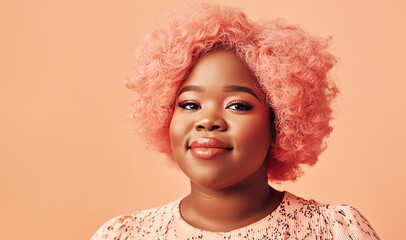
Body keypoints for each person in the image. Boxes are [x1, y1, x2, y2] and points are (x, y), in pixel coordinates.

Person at [91, 2, 379, 239]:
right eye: (190, 104)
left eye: (238, 105)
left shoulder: (335, 231)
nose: (208, 121)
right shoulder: (122, 235)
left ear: (280, 124)